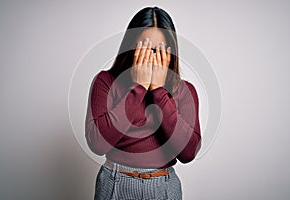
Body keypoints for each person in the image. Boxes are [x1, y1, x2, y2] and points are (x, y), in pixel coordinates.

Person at [85, 6, 202, 200]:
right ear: (131, 47)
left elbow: (188, 153)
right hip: (115, 182)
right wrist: (138, 87)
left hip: (163, 185)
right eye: (144, 49)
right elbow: (97, 144)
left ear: (170, 52)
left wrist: (158, 91)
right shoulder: (105, 81)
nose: (151, 57)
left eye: (158, 50)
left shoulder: (184, 91)